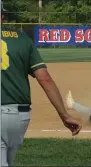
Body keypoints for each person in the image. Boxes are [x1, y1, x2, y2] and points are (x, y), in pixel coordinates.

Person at [1, 2, 81, 166]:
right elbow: (44, 78)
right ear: (2, 17)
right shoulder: (22, 39)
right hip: (20, 117)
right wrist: (65, 115)